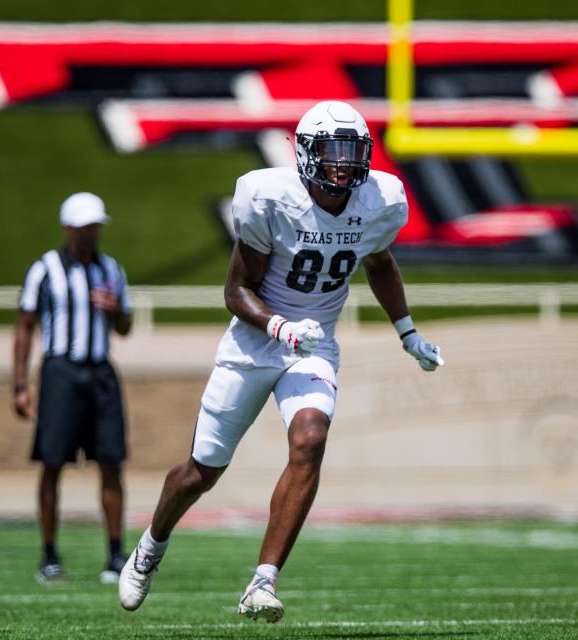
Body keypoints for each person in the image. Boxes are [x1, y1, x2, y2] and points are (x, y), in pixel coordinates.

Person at [118, 100, 443, 622]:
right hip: (254, 344)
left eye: (353, 151)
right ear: (307, 153)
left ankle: (262, 582)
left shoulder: (379, 201)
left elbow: (380, 263)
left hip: (312, 349)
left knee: (310, 439)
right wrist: (280, 326)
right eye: (334, 151)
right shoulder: (270, 197)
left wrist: (407, 332)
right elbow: (236, 290)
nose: (344, 163)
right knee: (201, 472)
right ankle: (151, 546)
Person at [12, 191, 134, 584]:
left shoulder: (111, 269)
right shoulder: (45, 269)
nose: (91, 234)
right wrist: (20, 384)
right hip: (60, 372)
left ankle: (116, 554)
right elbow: (25, 326)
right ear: (68, 228)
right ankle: (49, 554)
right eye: (84, 227)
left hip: (100, 372)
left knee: (112, 462)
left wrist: (116, 310)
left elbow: (125, 328)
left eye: (96, 226)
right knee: (52, 464)